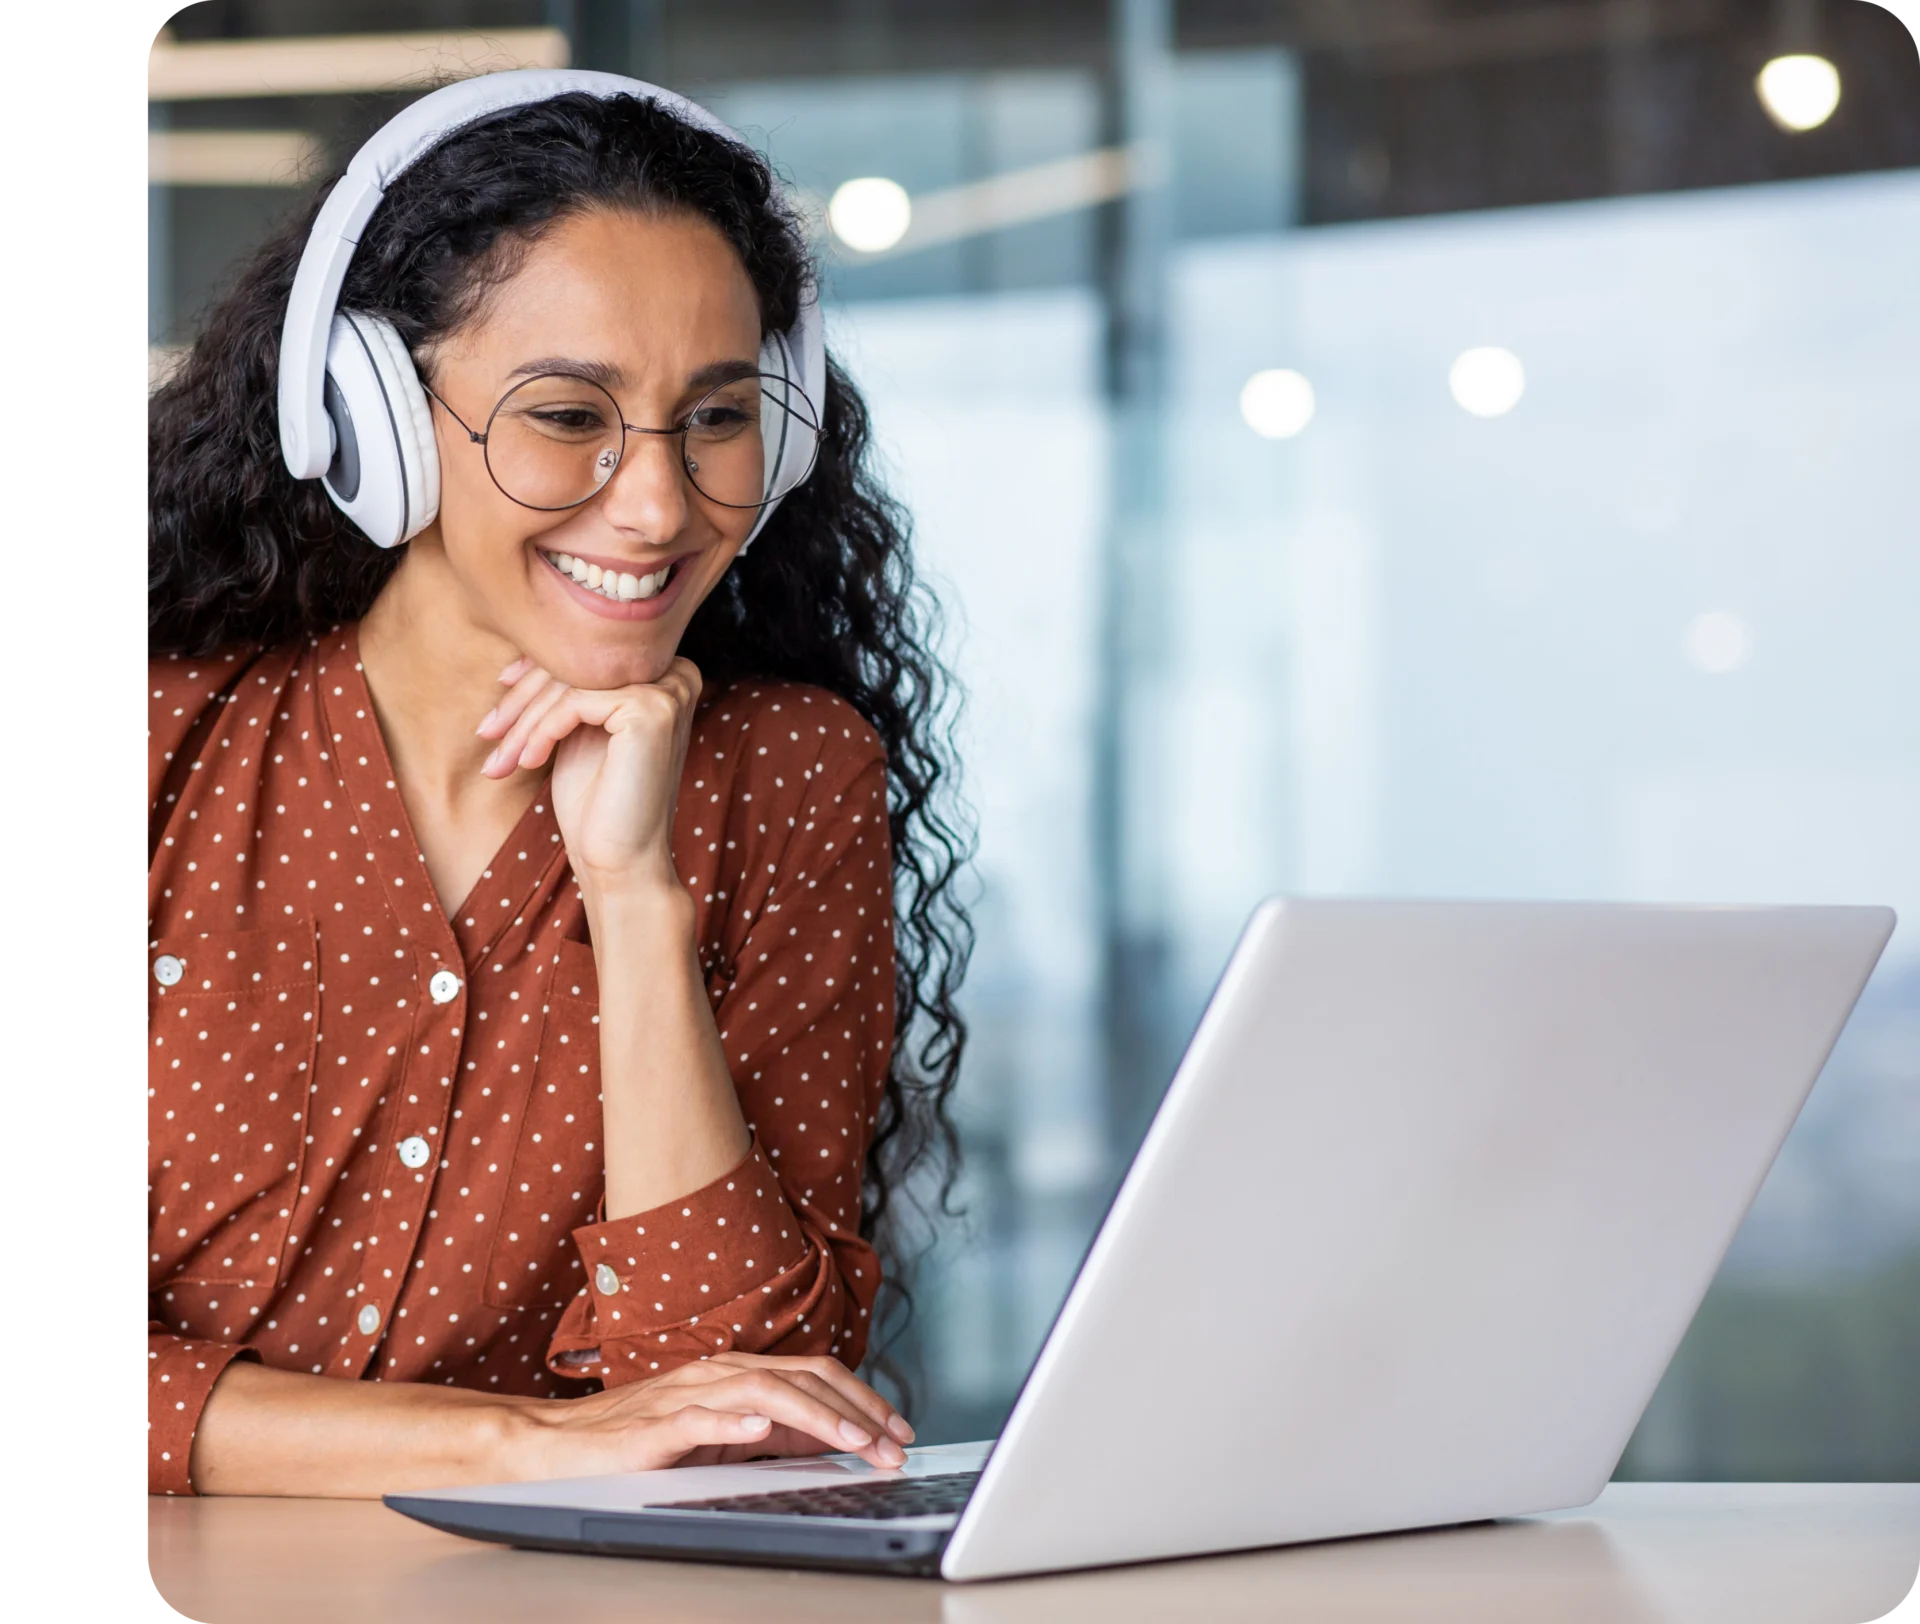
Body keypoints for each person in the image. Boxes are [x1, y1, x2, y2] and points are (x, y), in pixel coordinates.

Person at [143, 77, 970, 1498]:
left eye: (715, 419)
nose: (657, 505)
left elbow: (743, 1398)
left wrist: (635, 900)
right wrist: (510, 1441)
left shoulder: (790, 776)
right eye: (567, 413)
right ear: (369, 418)